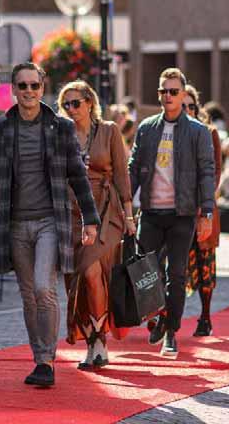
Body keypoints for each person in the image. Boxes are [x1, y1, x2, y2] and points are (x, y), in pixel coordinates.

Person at [0, 62, 100, 388]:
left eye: (34, 85)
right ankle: (39, 358)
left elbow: (77, 176)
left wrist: (90, 220)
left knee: (43, 288)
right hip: (16, 224)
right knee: (28, 295)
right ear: (14, 89)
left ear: (42, 88)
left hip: (50, 221)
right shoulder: (1, 128)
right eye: (22, 86)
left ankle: (47, 360)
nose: (28, 91)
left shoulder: (60, 127)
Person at [128, 68, 215, 358]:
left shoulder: (198, 132)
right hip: (151, 212)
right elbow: (133, 168)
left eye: (173, 91)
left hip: (182, 214)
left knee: (176, 275)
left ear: (183, 94)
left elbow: (207, 173)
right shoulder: (147, 128)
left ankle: (171, 331)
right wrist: (124, 202)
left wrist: (207, 213)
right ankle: (159, 316)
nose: (167, 96)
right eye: (163, 91)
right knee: (146, 273)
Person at [58, 80, 134, 370]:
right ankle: (92, 342)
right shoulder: (61, 134)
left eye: (76, 102)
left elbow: (122, 175)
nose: (71, 109)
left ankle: (100, 339)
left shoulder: (109, 130)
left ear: (90, 102)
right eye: (66, 104)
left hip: (106, 211)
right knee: (76, 279)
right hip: (71, 212)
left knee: (92, 272)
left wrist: (129, 215)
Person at [183, 84, 222, 337]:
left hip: (203, 209)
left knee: (205, 263)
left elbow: (216, 172)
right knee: (175, 265)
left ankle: (205, 316)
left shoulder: (209, 133)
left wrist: (203, 203)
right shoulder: (168, 132)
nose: (186, 110)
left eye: (191, 106)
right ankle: (166, 316)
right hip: (176, 210)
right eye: (182, 105)